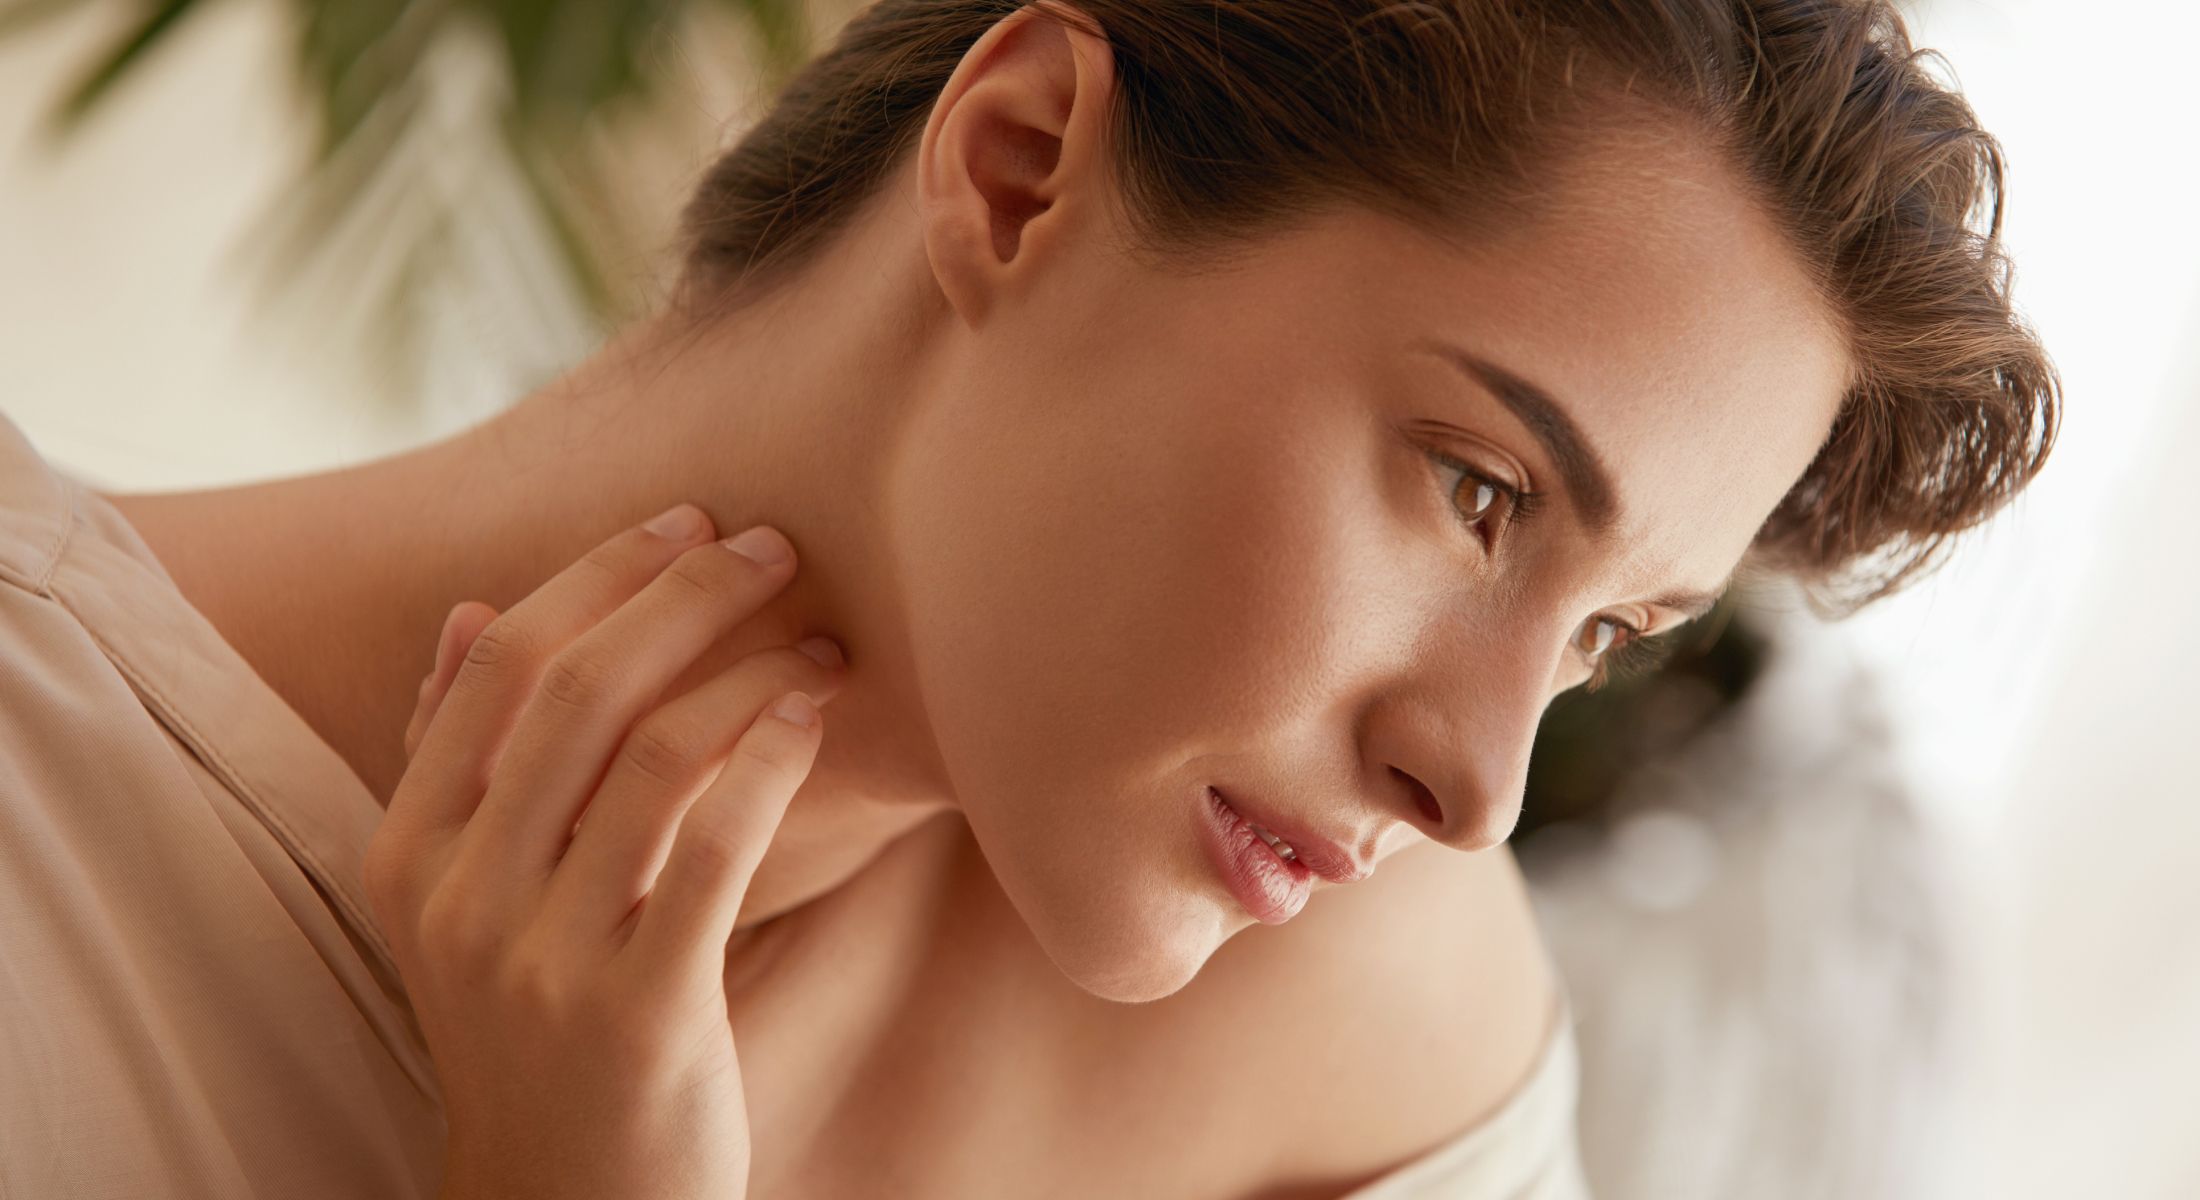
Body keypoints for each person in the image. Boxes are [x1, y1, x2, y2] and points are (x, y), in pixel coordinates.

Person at [0, 0, 2058, 1196]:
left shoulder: (1355, 1048)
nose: (1476, 788)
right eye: (1478, 493)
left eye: (1610, 630)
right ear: (1015, 169)